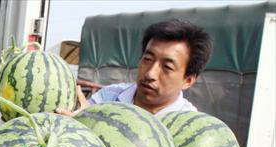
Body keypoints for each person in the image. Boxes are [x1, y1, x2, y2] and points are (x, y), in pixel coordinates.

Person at [57, 18, 213, 117]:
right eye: (147, 59)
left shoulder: (188, 123)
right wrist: (79, 123)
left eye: (167, 67)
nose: (151, 73)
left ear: (188, 80)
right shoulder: (108, 97)